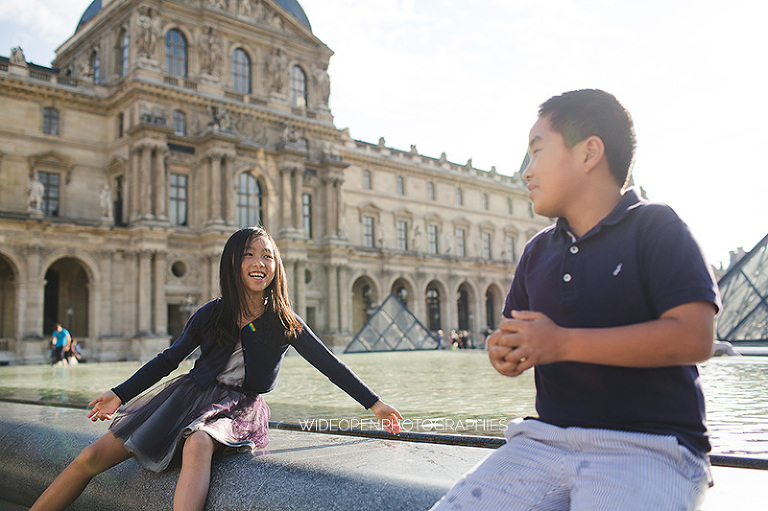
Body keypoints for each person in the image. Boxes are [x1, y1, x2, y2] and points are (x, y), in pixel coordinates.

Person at [431, 89, 720, 511]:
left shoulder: (658, 226)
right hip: (546, 438)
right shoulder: (537, 251)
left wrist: (561, 343)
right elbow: (519, 334)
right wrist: (506, 350)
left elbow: (696, 337)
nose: (525, 172)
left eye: (537, 151)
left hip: (652, 445)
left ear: (589, 153)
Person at [32, 226, 402, 511]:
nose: (260, 263)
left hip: (238, 408)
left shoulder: (284, 321)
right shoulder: (212, 313)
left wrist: (375, 404)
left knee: (199, 442)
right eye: (250, 255)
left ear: (277, 267)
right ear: (233, 263)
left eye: (268, 257)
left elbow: (329, 365)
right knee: (88, 459)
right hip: (184, 398)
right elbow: (169, 359)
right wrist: (119, 394)